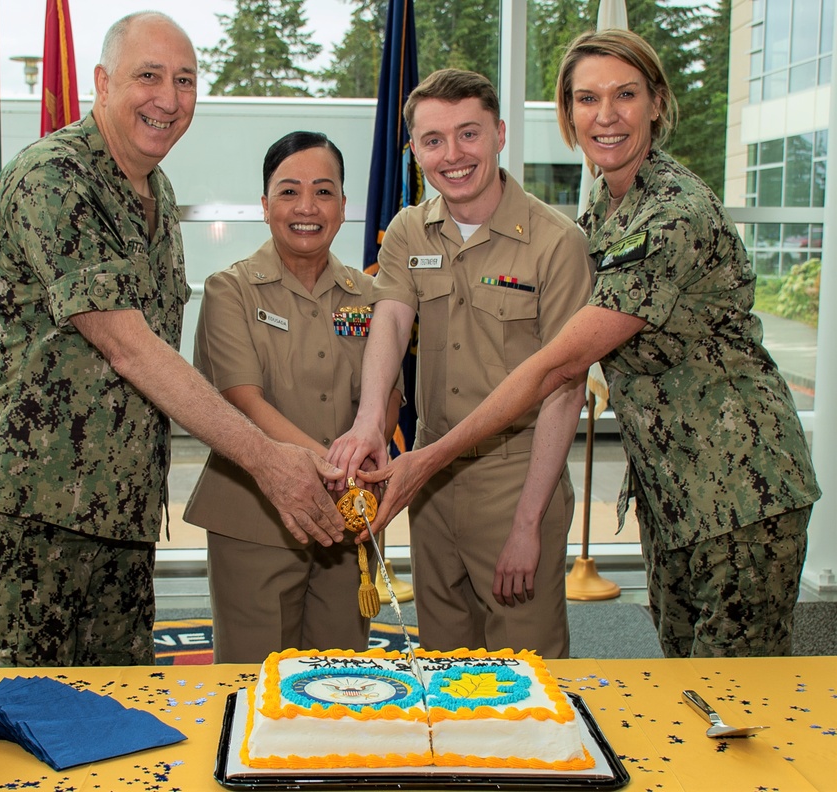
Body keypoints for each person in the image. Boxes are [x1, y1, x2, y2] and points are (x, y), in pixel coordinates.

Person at [353, 30, 821, 659]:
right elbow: (394, 314)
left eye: (625, 95)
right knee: (684, 672)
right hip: (670, 481)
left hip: (740, 481)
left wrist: (430, 461)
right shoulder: (606, 200)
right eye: (586, 98)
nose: (606, 115)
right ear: (569, 114)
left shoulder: (671, 214)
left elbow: (562, 365)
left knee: (740, 689)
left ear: (656, 102)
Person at [0, 13, 346, 668]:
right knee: (27, 736)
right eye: (148, 76)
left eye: (184, 80)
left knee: (114, 729)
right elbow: (128, 346)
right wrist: (269, 461)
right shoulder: (54, 179)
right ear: (102, 83)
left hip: (118, 521)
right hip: (29, 517)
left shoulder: (155, 193)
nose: (168, 98)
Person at [327, 69, 594, 658]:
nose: (452, 155)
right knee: (445, 664)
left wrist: (529, 524)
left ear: (499, 134)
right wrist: (371, 421)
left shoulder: (556, 242)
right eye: (432, 140)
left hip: (518, 477)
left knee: (526, 668)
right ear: (415, 151)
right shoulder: (407, 230)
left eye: (468, 134)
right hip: (430, 473)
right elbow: (390, 321)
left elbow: (566, 389)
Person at [183, 132, 403, 663]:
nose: (307, 207)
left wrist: (359, 467)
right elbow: (243, 401)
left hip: (346, 521)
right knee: (253, 680)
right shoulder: (229, 290)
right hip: (255, 517)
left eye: (324, 192)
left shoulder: (371, 296)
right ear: (264, 206)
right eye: (288, 192)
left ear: (345, 207)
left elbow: (387, 397)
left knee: (341, 678)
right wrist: (337, 469)